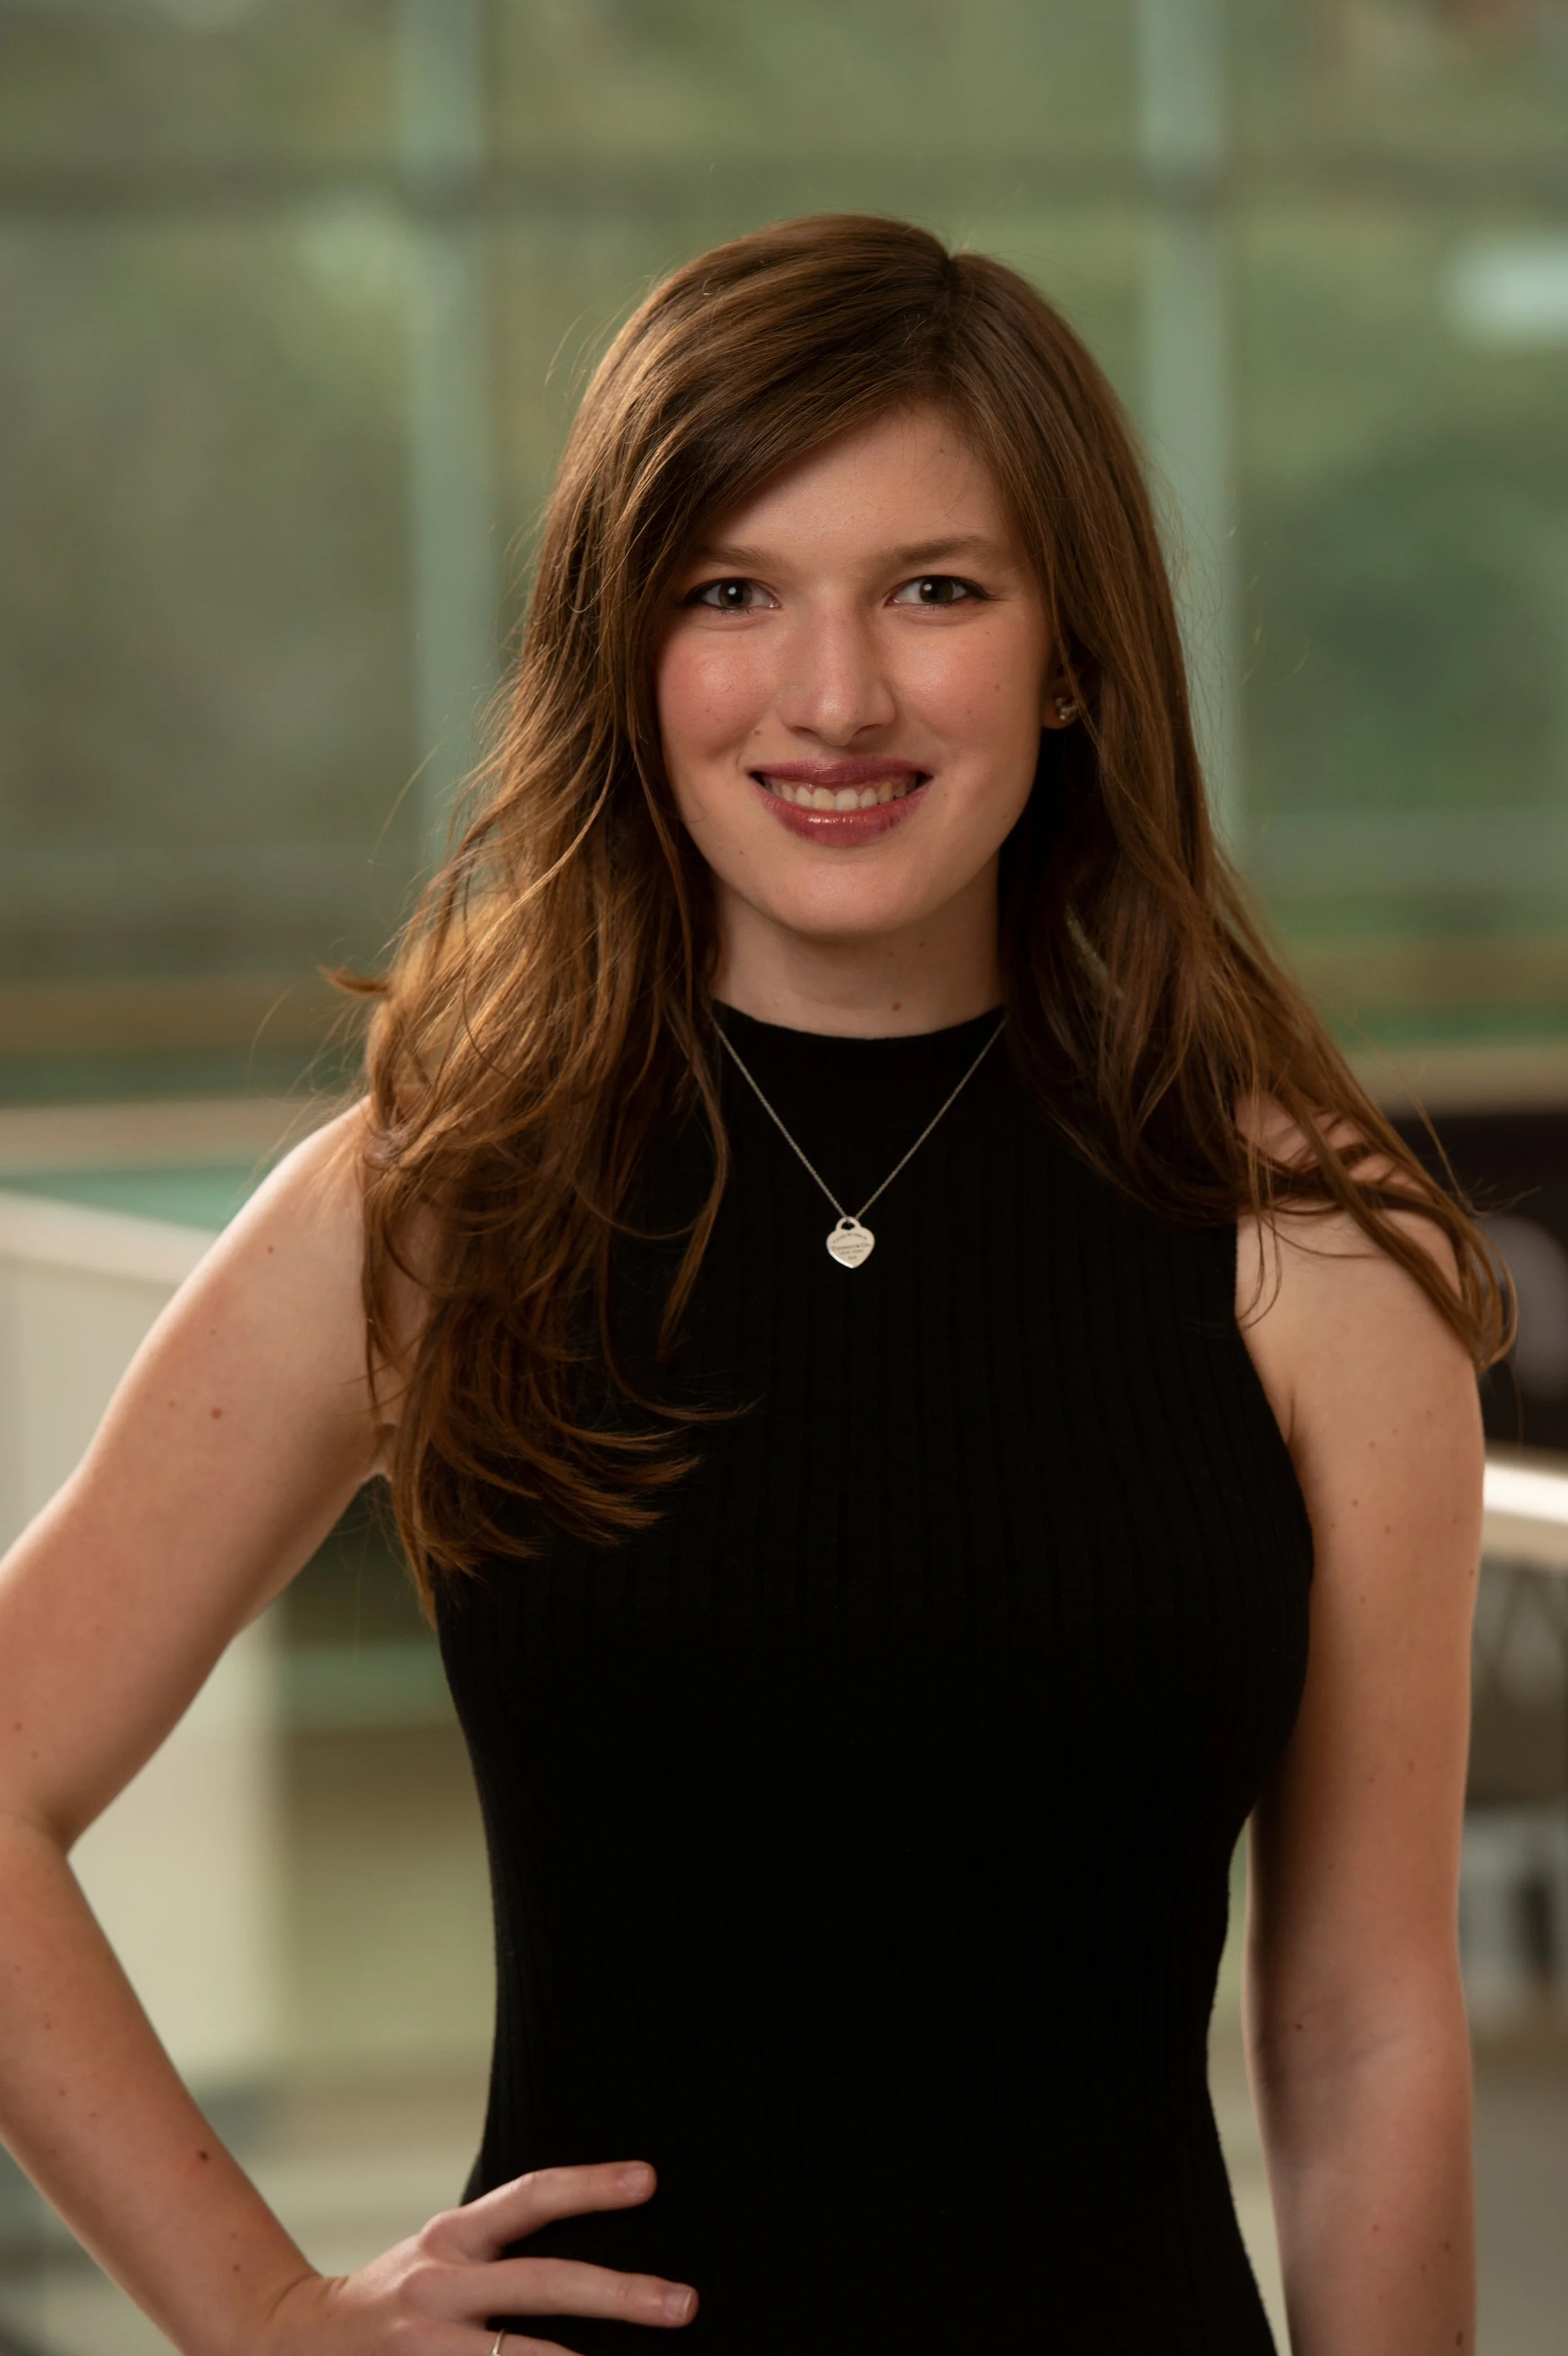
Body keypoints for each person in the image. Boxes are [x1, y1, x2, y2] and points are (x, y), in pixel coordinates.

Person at [0, 215, 1504, 2355]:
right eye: (730, 591)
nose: (835, 694)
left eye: (935, 589)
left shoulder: (1309, 1252)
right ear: (627, 654)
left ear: (1073, 651)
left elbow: (1363, 2028)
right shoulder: (438, 1207)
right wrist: (255, 2310)